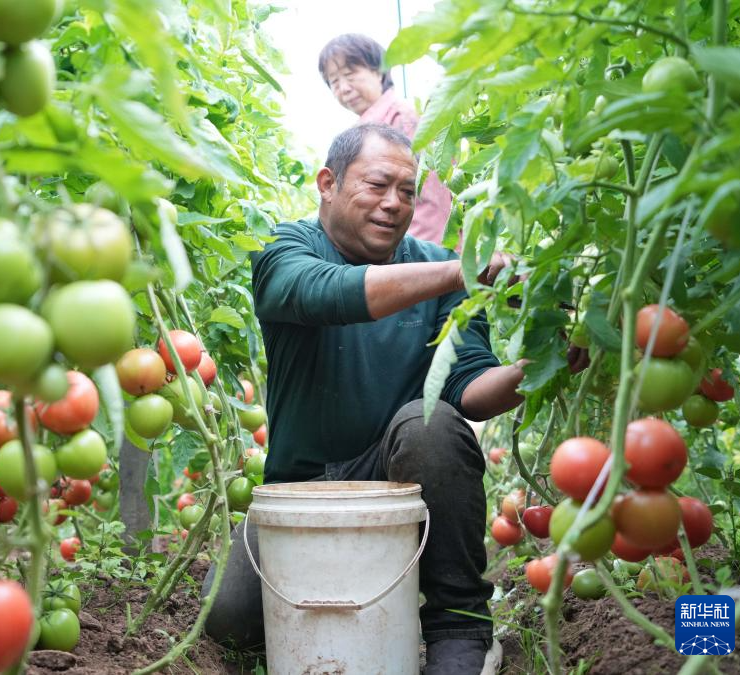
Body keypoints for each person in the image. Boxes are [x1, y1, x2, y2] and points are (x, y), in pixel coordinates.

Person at [202, 123, 524, 674]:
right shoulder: (286, 250)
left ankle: (459, 628)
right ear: (328, 183)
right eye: (377, 185)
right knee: (227, 618)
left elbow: (470, 391)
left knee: (434, 422)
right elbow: (325, 292)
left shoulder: (440, 271)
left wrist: (536, 371)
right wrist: (460, 273)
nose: (394, 204)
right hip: (297, 495)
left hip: (399, 488)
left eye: (407, 192)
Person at [318, 33, 453, 245]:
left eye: (350, 74)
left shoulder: (402, 119)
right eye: (334, 81)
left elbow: (431, 198)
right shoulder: (364, 130)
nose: (343, 88)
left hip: (422, 248)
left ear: (378, 71)